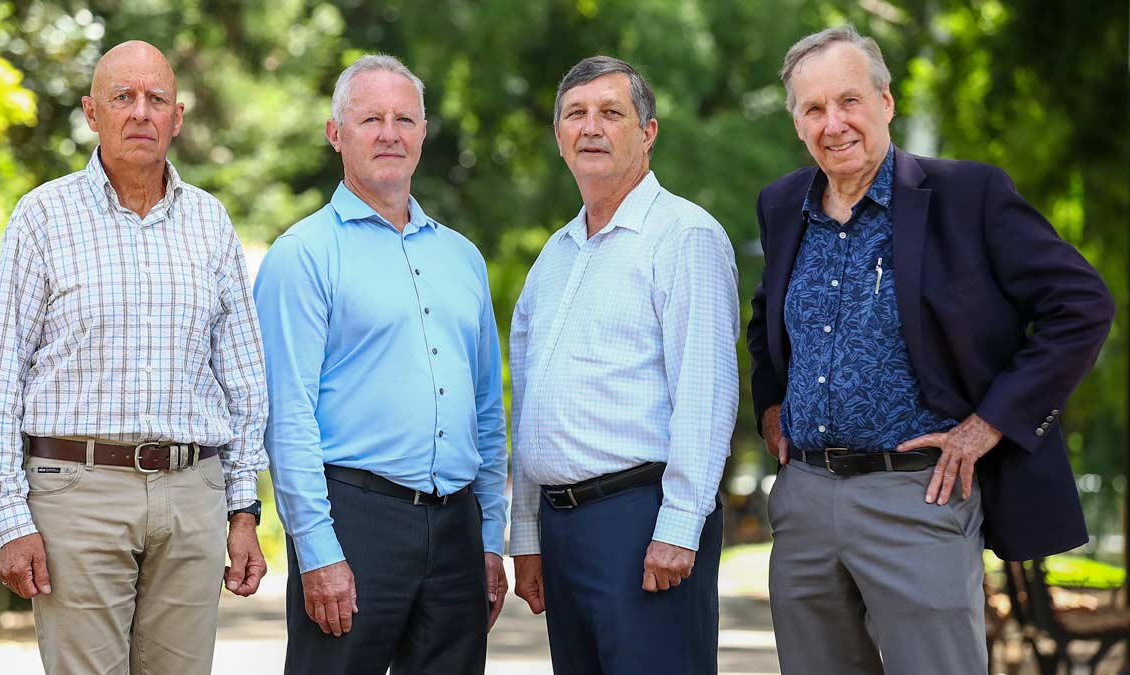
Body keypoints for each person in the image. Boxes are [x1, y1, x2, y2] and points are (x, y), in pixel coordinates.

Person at [748, 25, 1115, 674]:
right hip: (802, 500)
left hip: (915, 496)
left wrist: (989, 424)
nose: (834, 123)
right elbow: (765, 319)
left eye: (849, 100)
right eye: (813, 108)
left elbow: (1081, 306)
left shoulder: (968, 196)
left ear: (886, 102)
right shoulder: (781, 206)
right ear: (797, 123)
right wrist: (771, 405)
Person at [0, 40, 269, 675]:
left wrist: (244, 509)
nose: (140, 113)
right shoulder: (42, 217)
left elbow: (243, 380)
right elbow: (0, 373)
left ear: (177, 118)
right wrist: (11, 517)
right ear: (91, 113)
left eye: (156, 99)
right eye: (122, 97)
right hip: (77, 494)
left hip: (192, 495)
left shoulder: (210, 223)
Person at [253, 54, 507, 675]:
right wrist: (316, 551)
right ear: (336, 134)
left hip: (455, 529)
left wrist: (489, 538)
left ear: (423, 133)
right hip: (354, 523)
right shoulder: (303, 256)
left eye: (405, 118)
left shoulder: (463, 258)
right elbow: (286, 419)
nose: (389, 133)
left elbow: (485, 411)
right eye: (370, 118)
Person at [509, 56, 739, 675]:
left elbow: (706, 391)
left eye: (611, 113)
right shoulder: (552, 258)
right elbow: (530, 407)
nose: (591, 128)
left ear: (648, 132)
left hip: (643, 522)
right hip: (563, 530)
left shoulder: (684, 235)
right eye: (575, 115)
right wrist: (526, 537)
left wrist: (680, 525)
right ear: (558, 136)